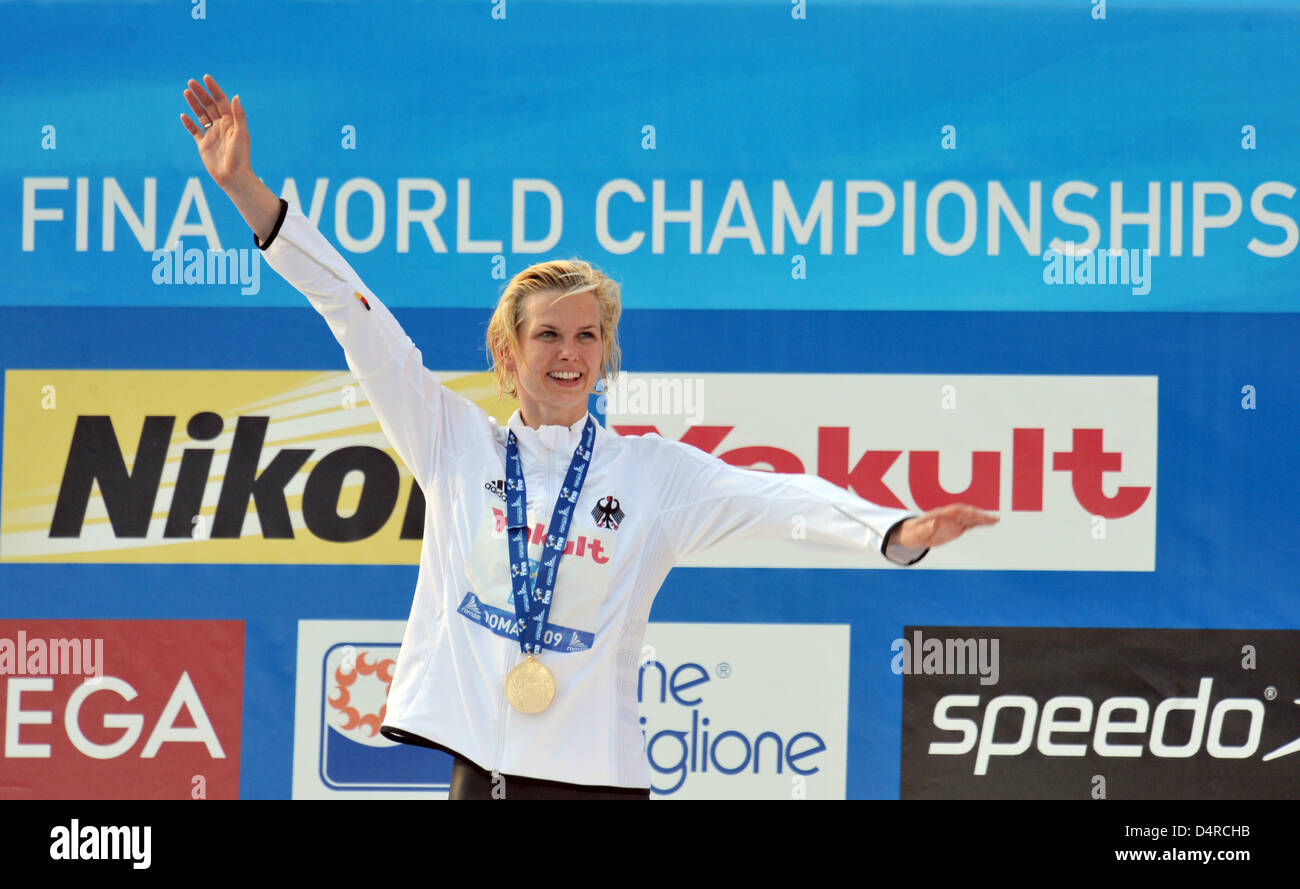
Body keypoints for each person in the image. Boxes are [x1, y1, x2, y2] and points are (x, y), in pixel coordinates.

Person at [180, 74, 999, 800]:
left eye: (586, 336)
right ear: (509, 351)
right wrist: (248, 189)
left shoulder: (652, 473)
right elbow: (354, 314)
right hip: (482, 770)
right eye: (548, 336)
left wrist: (894, 530)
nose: (569, 354)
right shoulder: (451, 441)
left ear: (605, 351)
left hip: (598, 777)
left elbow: (775, 496)